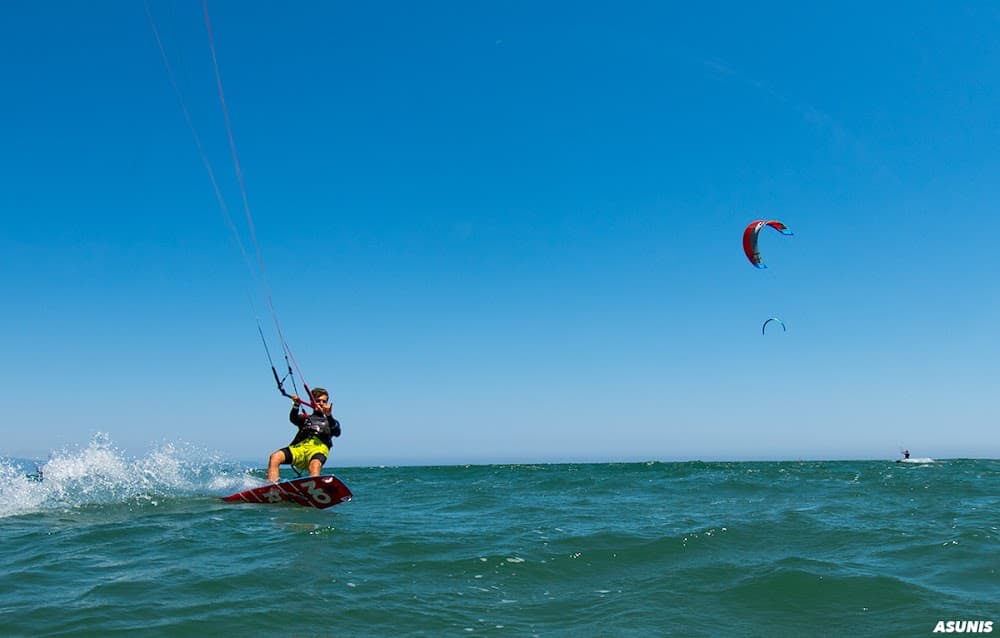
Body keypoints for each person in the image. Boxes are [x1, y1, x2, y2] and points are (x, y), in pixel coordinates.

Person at [267, 387, 341, 483]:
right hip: (299, 449)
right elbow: (293, 418)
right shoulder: (305, 418)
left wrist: (329, 415)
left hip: (318, 449)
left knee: (315, 465)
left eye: (324, 401)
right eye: (318, 401)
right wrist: (296, 405)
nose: (321, 403)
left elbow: (337, 431)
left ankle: (314, 486)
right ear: (311, 402)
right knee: (275, 457)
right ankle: (272, 485)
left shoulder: (330, 421)